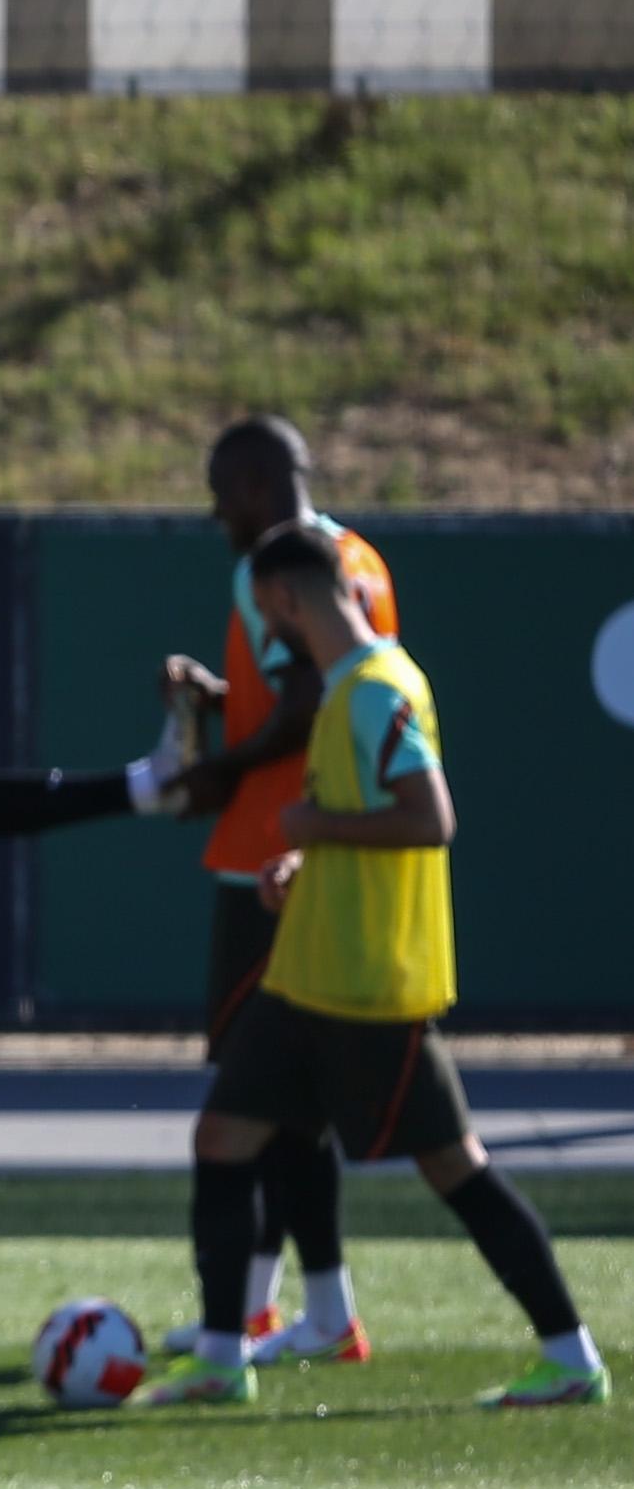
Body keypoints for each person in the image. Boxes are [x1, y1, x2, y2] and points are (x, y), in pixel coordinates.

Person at [134, 522, 604, 1412]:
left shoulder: (375, 689)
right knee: (223, 1138)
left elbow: (430, 817)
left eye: (265, 612)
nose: (267, 633)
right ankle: (222, 1357)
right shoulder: (358, 685)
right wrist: (304, 862)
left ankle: (570, 1354)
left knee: (454, 1165)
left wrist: (314, 829)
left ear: (285, 601)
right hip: (311, 973)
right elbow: (368, 815)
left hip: (366, 986)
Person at [153, 418, 395, 1362]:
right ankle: (280, 1305)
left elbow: (302, 708)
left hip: (269, 857)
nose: (217, 512)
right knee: (284, 1098)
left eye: (222, 492)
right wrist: (224, 701)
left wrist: (218, 768)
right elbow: (318, 690)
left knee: (263, 1094)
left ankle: (294, 1310)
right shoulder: (358, 558)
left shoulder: (273, 568)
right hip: (319, 850)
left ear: (257, 483)